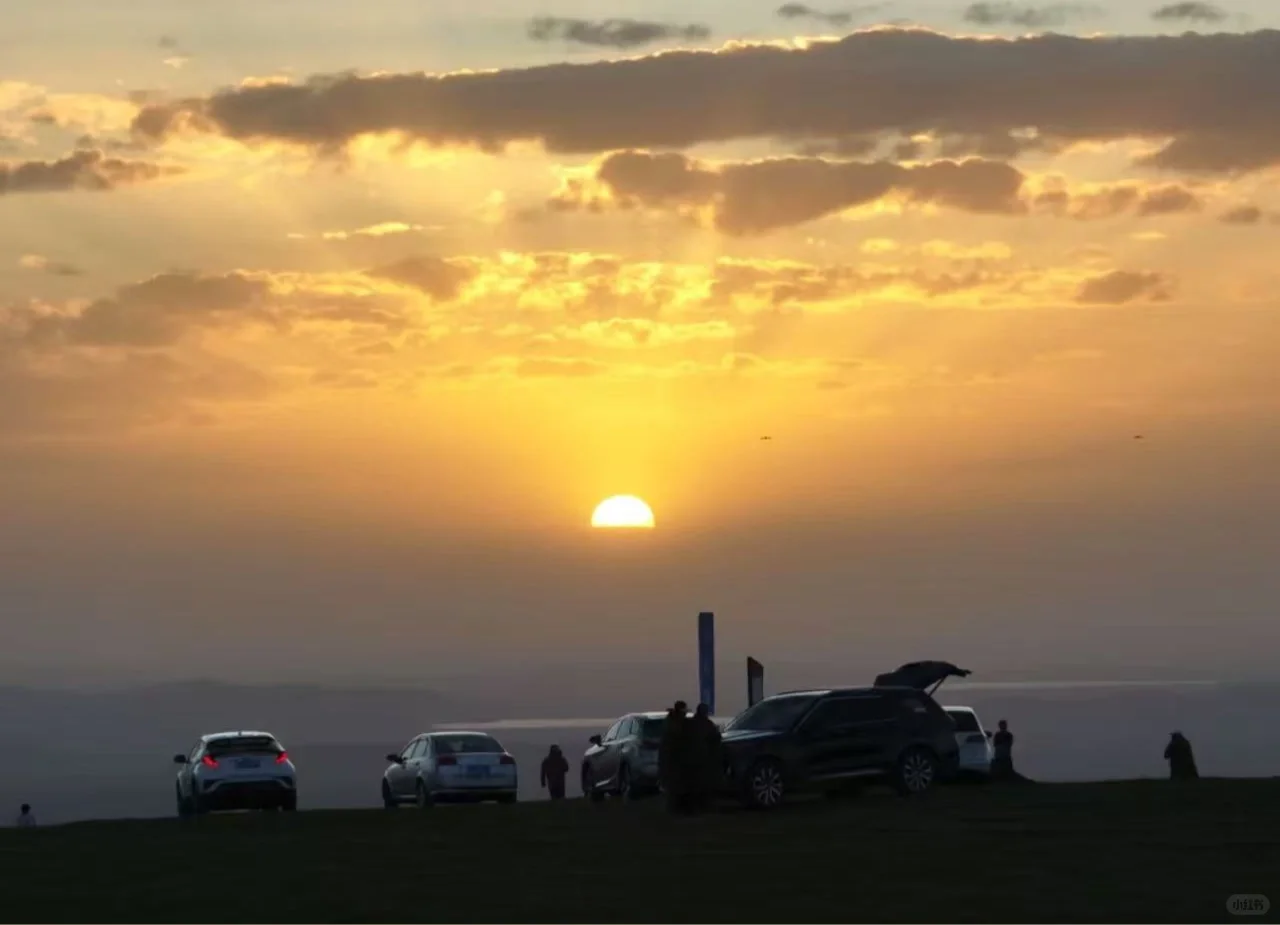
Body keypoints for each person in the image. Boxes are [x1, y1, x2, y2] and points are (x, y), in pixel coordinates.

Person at [689, 703, 722, 811]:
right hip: (704, 757)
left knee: (696, 783)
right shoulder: (707, 724)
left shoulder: (691, 723)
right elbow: (717, 737)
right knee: (703, 783)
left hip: (695, 757)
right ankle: (703, 805)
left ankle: (697, 805)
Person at [659, 700, 690, 814]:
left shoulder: (673, 721)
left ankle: (676, 808)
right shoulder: (672, 723)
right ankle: (673, 809)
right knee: (673, 786)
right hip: (672, 758)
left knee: (677, 785)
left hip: (675, 758)